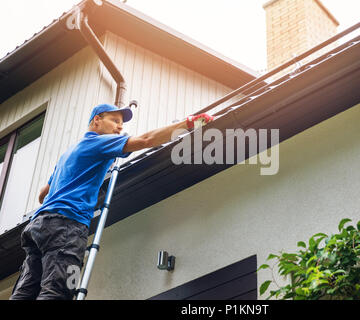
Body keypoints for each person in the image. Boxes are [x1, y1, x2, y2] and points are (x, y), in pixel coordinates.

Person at [10, 103, 214, 300]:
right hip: (66, 226)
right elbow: (145, 139)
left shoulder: (68, 154)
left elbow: (42, 195)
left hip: (38, 226)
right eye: (114, 120)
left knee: (25, 292)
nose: (119, 127)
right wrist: (190, 123)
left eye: (122, 124)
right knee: (59, 290)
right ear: (96, 121)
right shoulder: (98, 142)